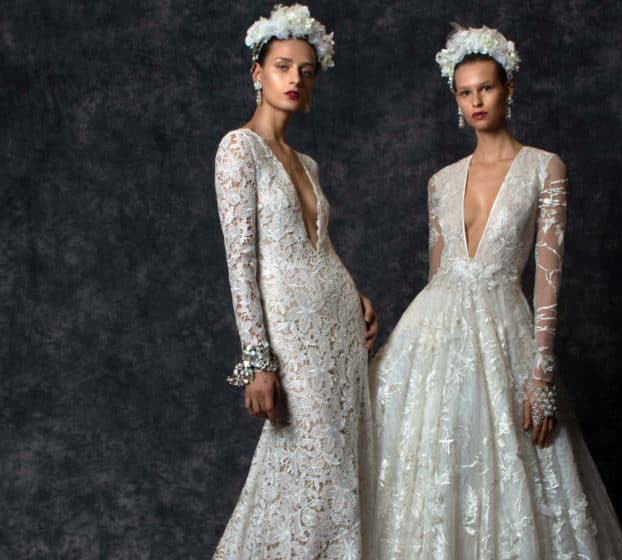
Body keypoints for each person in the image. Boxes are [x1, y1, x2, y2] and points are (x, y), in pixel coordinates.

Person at [366, 25, 622, 559]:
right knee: (425, 469)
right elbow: (438, 274)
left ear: (508, 88)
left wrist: (542, 372)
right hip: (432, 336)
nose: (476, 101)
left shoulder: (544, 168)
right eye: (465, 92)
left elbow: (547, 278)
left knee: (511, 472)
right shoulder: (441, 181)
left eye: (486, 88)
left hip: (503, 331)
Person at [211, 5, 377, 559]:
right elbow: (241, 262)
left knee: (340, 467)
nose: (295, 79)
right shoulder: (239, 149)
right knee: (309, 462)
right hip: (291, 337)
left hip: (338, 327)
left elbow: (316, 247)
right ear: (257, 73)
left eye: (306, 71)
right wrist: (257, 361)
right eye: (283, 66)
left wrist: (354, 297)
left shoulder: (306, 162)